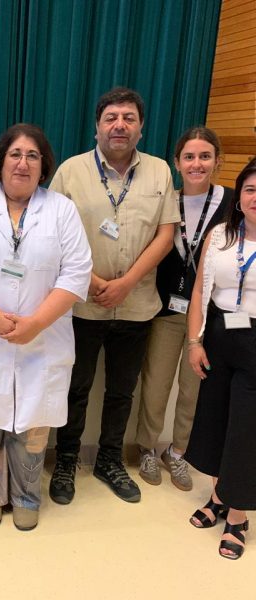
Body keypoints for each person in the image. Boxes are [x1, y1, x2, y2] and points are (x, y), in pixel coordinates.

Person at [0, 123, 92, 530]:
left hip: (42, 338)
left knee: (34, 417)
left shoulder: (61, 210)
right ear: (0, 162)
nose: (23, 163)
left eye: (32, 156)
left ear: (43, 166)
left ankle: (27, 495)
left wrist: (36, 323)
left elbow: (77, 271)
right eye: (15, 154)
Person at [48, 87, 178, 504]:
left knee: (122, 391)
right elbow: (52, 233)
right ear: (97, 127)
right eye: (111, 118)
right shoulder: (70, 171)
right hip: (81, 304)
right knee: (76, 388)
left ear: (141, 128)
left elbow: (166, 234)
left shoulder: (160, 171)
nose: (119, 125)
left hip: (137, 305)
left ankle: (109, 460)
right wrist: (87, 279)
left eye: (128, 118)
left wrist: (127, 282)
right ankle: (66, 459)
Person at [135, 127, 233, 491]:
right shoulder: (165, 201)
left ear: (217, 161)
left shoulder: (231, 203)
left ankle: (177, 452)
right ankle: (147, 448)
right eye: (189, 157)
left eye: (205, 156)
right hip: (165, 310)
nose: (197, 164)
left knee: (194, 389)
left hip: (207, 316)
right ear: (176, 163)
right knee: (156, 384)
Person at [185, 158, 256, 560]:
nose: (255, 198)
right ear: (239, 195)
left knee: (246, 428)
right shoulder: (220, 235)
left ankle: (238, 515)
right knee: (215, 419)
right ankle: (217, 495)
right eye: (250, 189)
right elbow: (200, 291)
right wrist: (194, 342)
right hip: (218, 333)